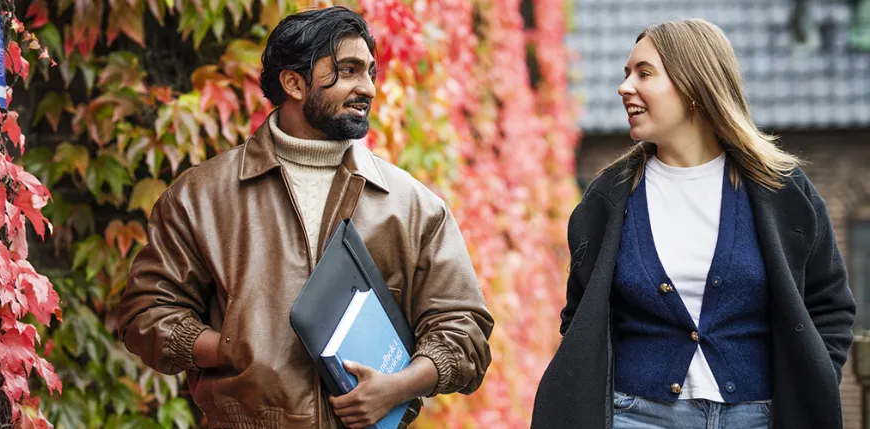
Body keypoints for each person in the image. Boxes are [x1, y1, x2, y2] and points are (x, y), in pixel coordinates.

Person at [115, 6, 494, 429]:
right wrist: (228, 348)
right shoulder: (201, 196)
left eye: (370, 72)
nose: (367, 87)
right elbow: (145, 313)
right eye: (348, 71)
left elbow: (464, 332)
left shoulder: (412, 205)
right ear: (294, 82)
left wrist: (398, 386)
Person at [532, 18, 855, 429]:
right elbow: (580, 317)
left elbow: (830, 305)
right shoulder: (607, 200)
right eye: (626, 73)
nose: (624, 86)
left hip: (760, 417)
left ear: (693, 88)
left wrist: (810, 381)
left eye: (644, 73)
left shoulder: (781, 190)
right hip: (636, 416)